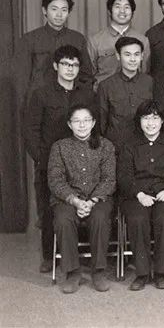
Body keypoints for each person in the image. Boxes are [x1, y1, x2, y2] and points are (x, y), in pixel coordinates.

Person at [24, 45, 96, 273]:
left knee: (82, 207)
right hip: (49, 163)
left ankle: (81, 255)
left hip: (82, 163)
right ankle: (49, 256)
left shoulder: (87, 94)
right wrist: (40, 159)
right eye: (65, 64)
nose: (70, 69)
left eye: (74, 65)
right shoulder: (41, 94)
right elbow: (30, 130)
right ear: (56, 66)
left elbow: (96, 127)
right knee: (48, 210)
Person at [47, 104, 116, 294]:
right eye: (77, 121)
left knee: (100, 217)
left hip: (98, 198)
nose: (82, 125)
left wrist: (92, 201)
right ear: (69, 124)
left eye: (86, 120)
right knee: (63, 220)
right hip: (67, 199)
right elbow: (55, 180)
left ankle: (98, 271)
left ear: (93, 123)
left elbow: (109, 180)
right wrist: (76, 201)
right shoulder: (59, 147)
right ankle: (72, 272)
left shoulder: (106, 146)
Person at [118, 100, 164, 291]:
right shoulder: (129, 145)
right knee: (138, 219)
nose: (150, 123)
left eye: (155, 118)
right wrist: (138, 194)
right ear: (139, 121)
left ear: (162, 121)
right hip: (136, 194)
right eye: (146, 118)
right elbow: (124, 176)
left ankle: (161, 272)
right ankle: (142, 273)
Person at [13, 0, 93, 103]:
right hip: (39, 100)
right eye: (54, 9)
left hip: (71, 100)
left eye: (64, 10)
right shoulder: (29, 39)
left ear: (68, 12)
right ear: (44, 10)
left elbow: (86, 75)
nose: (59, 15)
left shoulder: (77, 39)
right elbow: (21, 79)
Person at [97, 36, 164, 147]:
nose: (133, 59)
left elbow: (161, 115)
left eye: (136, 54)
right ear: (118, 56)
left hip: (145, 145)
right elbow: (101, 122)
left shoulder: (151, 82)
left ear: (142, 56)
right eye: (127, 55)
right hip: (116, 145)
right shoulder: (105, 85)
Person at [88, 0, 150, 86]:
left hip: (134, 92)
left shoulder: (143, 40)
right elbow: (89, 74)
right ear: (110, 11)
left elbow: (145, 72)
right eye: (117, 7)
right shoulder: (95, 41)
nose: (122, 11)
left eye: (127, 7)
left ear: (132, 12)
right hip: (103, 92)